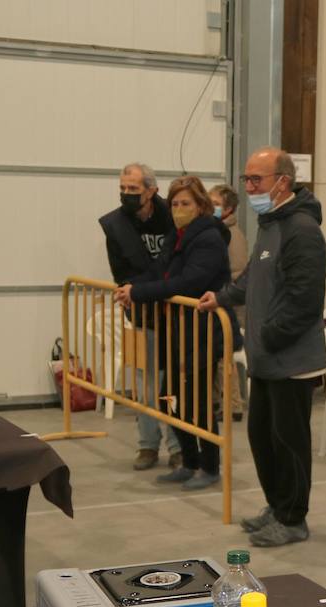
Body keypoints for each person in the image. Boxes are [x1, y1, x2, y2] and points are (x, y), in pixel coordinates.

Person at [200, 148, 326, 547]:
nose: (249, 186)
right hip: (267, 358)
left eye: (257, 179)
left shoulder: (301, 230)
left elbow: (304, 300)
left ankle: (293, 518)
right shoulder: (270, 225)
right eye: (247, 179)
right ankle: (277, 505)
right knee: (263, 437)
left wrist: (268, 336)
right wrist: (221, 298)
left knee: (289, 442)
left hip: (290, 360)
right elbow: (252, 278)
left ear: (282, 182)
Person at [115, 177, 232, 491]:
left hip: (203, 333)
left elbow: (188, 283)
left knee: (198, 405)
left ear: (201, 206)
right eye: (176, 203)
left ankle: (209, 467)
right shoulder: (177, 236)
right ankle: (189, 462)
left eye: (186, 204)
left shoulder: (208, 239)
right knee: (168, 402)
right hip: (178, 332)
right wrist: (131, 288)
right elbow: (160, 271)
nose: (179, 209)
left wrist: (140, 292)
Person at [99, 162, 181, 472]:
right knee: (146, 383)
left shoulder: (173, 215)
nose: (126, 194)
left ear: (151, 191)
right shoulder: (115, 226)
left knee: (173, 383)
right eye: (123, 188)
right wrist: (136, 296)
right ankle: (147, 445)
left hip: (176, 312)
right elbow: (121, 273)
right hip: (143, 314)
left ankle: (178, 447)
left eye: (133, 189)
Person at [209, 184, 249, 280]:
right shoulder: (211, 229)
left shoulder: (233, 235)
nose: (210, 207)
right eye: (208, 202)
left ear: (228, 209)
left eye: (216, 204)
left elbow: (238, 272)